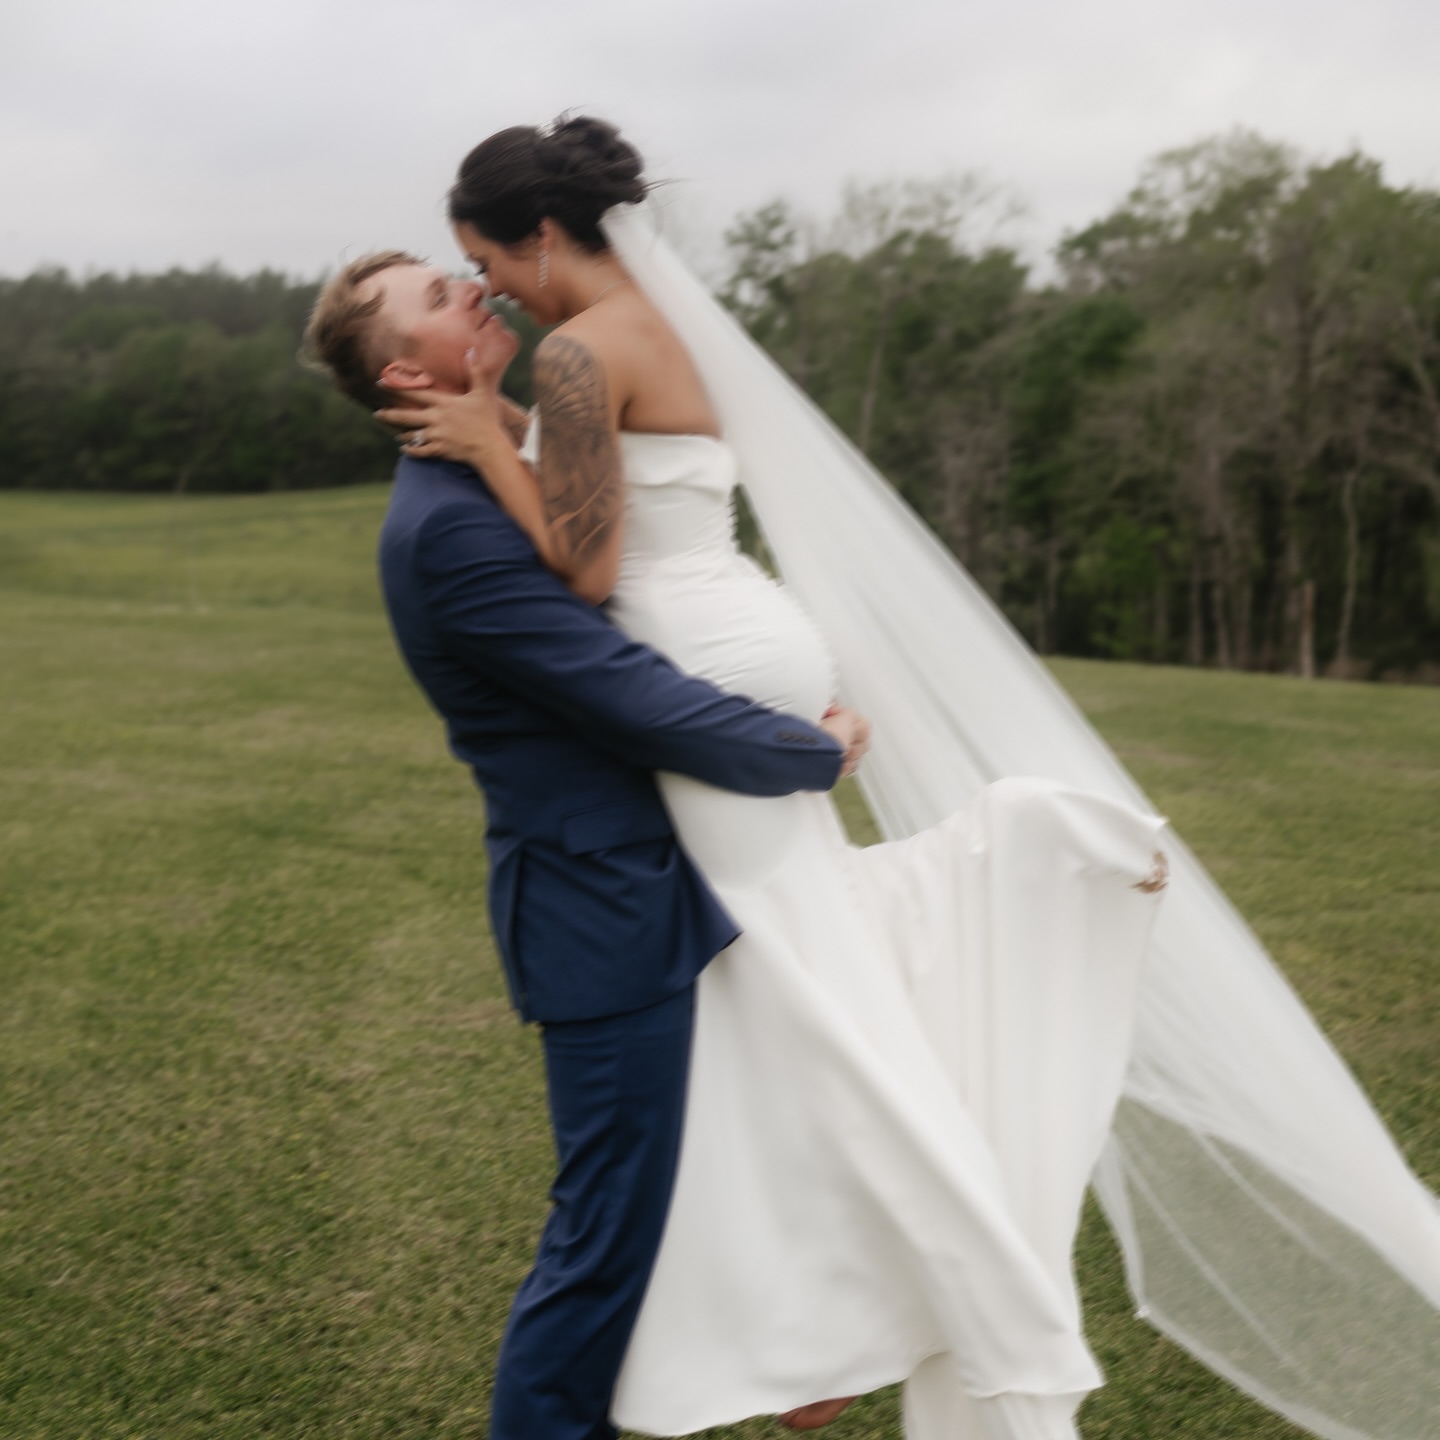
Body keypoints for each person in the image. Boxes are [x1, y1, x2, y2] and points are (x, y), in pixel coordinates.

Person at [375, 116, 1440, 1440]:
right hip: (751, 638)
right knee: (799, 984)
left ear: (542, 235)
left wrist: (492, 448)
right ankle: (836, 1314)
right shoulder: (659, 323)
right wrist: (507, 420)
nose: (493, 292)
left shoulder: (583, 352)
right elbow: (624, 480)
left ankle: (872, 1300)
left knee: (792, 1009)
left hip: (707, 676)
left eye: (488, 264)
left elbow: (589, 569)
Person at [303, 252, 873, 1440]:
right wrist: (809, 751)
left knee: (704, 1187)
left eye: (461, 272)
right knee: (607, 1240)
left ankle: (800, 1355)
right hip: (598, 909)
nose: (472, 289)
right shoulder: (446, 532)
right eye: (439, 296)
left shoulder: (496, 466)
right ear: (405, 373)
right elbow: (628, 696)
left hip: (669, 878)